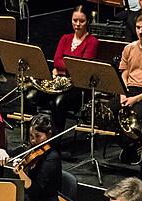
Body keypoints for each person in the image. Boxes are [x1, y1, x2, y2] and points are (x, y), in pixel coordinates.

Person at [32, 5, 99, 134]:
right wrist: (66, 68)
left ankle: (55, 143)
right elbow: (56, 60)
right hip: (59, 83)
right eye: (75, 20)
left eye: (82, 21)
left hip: (78, 87)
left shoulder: (92, 42)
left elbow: (81, 67)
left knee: (58, 103)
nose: (77, 24)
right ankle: (32, 138)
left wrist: (61, 69)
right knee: (30, 96)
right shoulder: (65, 38)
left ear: (88, 21)